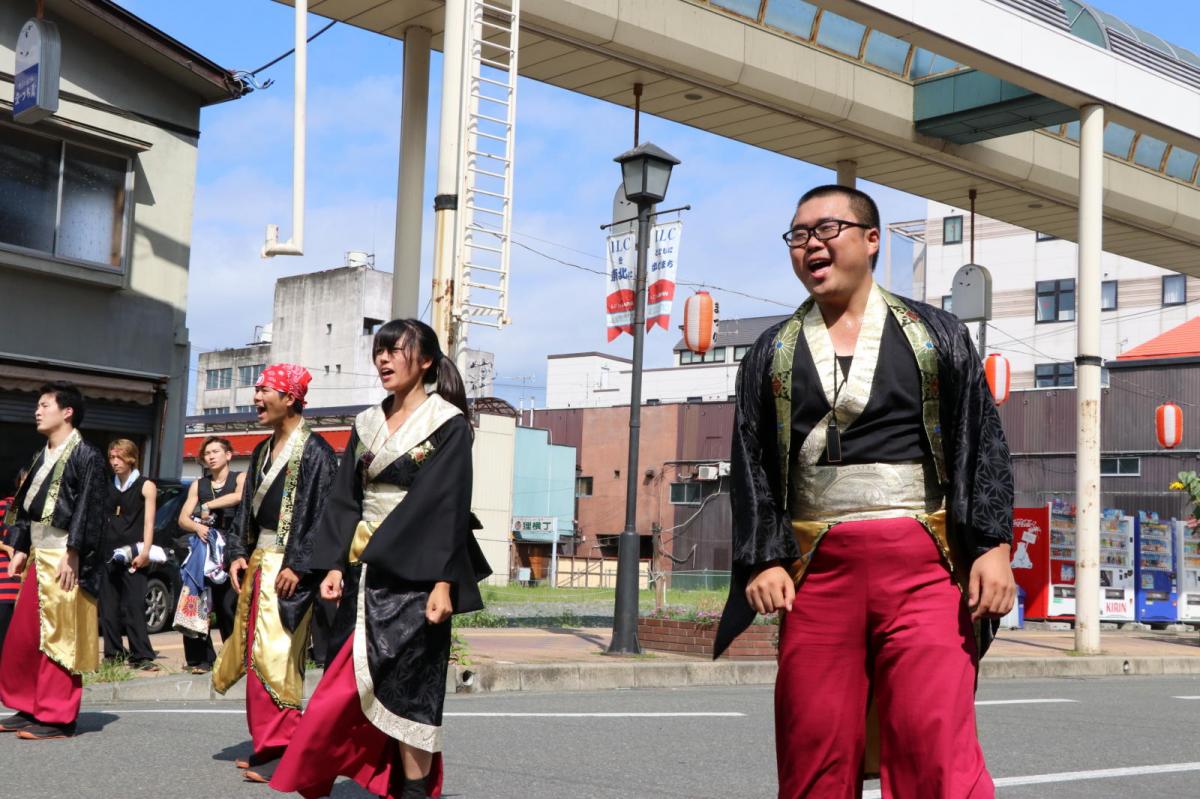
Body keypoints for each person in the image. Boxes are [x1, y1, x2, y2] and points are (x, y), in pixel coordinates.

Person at [714, 185, 1016, 799]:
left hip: (927, 568)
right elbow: (749, 462)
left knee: (935, 742)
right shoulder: (769, 352)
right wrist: (765, 556)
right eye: (798, 236)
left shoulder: (938, 334)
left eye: (825, 229)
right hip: (816, 576)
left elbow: (982, 440)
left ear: (872, 240)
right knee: (813, 748)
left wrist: (992, 545)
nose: (810, 245)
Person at [269, 319, 491, 799]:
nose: (384, 360)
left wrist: (443, 584)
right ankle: (322, 767)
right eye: (380, 351)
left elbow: (447, 508)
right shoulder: (366, 422)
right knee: (342, 687)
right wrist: (330, 565)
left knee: (414, 691)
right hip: (361, 574)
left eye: (396, 351)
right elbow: (344, 500)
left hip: (417, 579)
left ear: (426, 361)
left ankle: (413, 790)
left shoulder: (447, 424)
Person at [212, 364, 338, 781]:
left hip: (288, 571)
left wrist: (300, 566)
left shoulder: (316, 451)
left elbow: (325, 515)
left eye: (264, 389)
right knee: (255, 656)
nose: (256, 397)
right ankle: (268, 744)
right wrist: (235, 553)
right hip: (260, 564)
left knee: (279, 658)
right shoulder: (265, 450)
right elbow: (245, 510)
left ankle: (290, 747)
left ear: (290, 399)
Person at [0, 381, 107, 740]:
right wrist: (18, 546)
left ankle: (58, 717)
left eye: (45, 404)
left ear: (67, 411)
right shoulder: (41, 454)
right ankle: (29, 705)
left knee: (60, 638)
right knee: (24, 637)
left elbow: (90, 509)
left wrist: (74, 552)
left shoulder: (87, 455)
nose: (37, 410)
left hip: (65, 557)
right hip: (39, 556)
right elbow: (24, 506)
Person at [176, 436, 245, 673]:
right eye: (207, 453)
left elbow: (239, 497)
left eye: (216, 451)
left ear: (228, 455)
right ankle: (202, 660)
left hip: (232, 551)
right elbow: (183, 517)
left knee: (229, 606)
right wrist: (197, 526)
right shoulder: (199, 484)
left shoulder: (240, 478)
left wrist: (208, 506)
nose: (211, 456)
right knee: (198, 603)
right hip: (204, 552)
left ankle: (236, 659)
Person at [99, 439, 158, 668]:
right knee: (109, 606)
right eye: (112, 457)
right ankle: (113, 653)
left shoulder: (145, 485)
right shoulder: (107, 485)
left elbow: (149, 523)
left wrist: (145, 552)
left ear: (131, 458)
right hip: (108, 553)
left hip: (134, 552)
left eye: (119, 457)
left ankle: (141, 655)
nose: (114, 462)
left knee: (133, 605)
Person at [0, 469, 28, 661]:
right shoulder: (6, 506)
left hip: (29, 580)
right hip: (5, 580)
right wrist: (8, 548)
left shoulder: (41, 513)